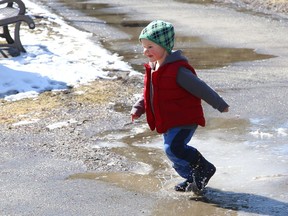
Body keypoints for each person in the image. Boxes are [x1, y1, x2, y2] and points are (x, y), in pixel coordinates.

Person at [130, 20, 229, 194]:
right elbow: (148, 92)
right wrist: (139, 107)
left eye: (150, 46)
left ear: (164, 46)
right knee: (173, 155)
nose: (145, 51)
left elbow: (201, 88)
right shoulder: (153, 68)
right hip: (167, 120)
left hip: (184, 119)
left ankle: (205, 168)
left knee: (174, 149)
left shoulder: (178, 70)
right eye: (144, 47)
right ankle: (192, 178)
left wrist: (219, 104)